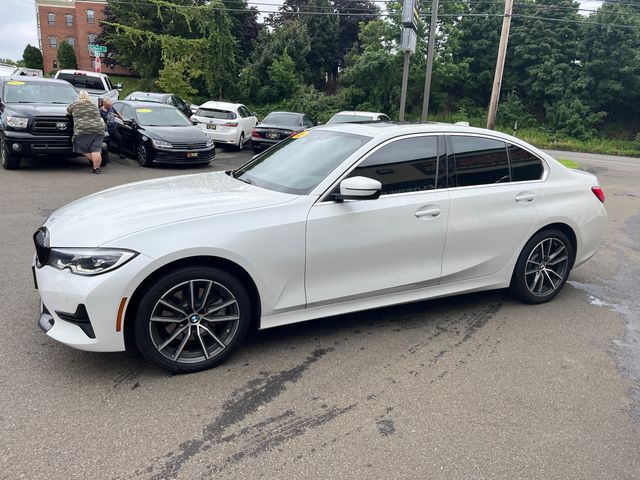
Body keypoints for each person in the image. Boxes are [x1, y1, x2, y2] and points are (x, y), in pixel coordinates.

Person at [67, 90, 105, 174]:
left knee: (79, 147)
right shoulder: (93, 105)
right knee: (96, 150)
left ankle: (96, 162)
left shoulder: (75, 104)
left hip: (83, 129)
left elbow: (67, 112)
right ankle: (96, 168)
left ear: (79, 96)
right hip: (98, 129)